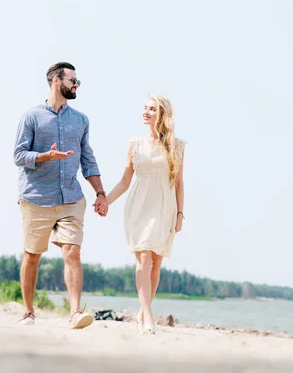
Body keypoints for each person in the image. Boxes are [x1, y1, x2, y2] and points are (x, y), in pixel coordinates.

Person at [13, 61, 108, 329]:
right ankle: (28, 313)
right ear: (57, 81)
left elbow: (88, 160)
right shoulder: (31, 117)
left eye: (77, 81)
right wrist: (46, 156)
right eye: (73, 80)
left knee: (72, 252)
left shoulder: (80, 120)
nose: (76, 85)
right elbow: (19, 155)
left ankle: (76, 312)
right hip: (36, 198)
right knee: (32, 255)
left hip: (71, 199)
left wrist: (100, 193)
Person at [99, 94, 186, 334]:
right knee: (143, 258)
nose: (146, 112)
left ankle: (142, 311)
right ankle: (148, 316)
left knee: (155, 263)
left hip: (164, 207)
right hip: (138, 206)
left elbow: (179, 183)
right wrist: (105, 200)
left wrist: (180, 214)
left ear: (163, 115)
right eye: (144, 108)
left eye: (152, 109)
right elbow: (125, 181)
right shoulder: (134, 144)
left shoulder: (176, 146)